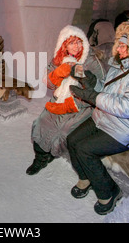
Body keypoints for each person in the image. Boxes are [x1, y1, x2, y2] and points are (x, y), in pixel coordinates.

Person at [66, 22, 129, 215]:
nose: (118, 48)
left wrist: (93, 97)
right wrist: (91, 82)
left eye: (124, 45)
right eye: (119, 43)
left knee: (85, 150)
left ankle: (109, 193)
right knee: (72, 140)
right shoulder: (120, 65)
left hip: (125, 130)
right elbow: (108, 89)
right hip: (103, 118)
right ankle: (86, 178)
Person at [26, 25, 106, 175]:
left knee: (64, 131)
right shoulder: (58, 59)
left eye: (79, 42)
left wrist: (74, 103)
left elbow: (102, 88)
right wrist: (57, 73)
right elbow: (49, 84)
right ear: (64, 45)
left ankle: (54, 153)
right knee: (41, 123)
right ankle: (41, 158)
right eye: (71, 43)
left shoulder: (91, 61)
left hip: (83, 106)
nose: (76, 46)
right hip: (59, 101)